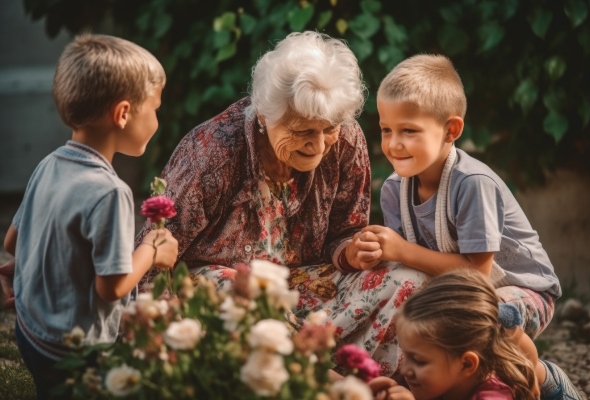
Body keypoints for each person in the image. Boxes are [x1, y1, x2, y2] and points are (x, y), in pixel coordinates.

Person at [136, 31, 429, 378]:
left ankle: (356, 374)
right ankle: (324, 380)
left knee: (407, 278)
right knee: (246, 295)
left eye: (328, 128)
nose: (318, 145)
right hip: (223, 290)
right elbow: (155, 261)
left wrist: (352, 252)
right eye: (303, 130)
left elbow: (343, 231)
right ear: (264, 115)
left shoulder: (346, 138)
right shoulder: (214, 153)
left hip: (302, 287)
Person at [354, 54, 583, 399]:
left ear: (451, 130)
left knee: (490, 323)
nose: (394, 143)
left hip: (520, 291)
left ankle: (544, 382)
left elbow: (478, 274)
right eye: (386, 129)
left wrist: (400, 249)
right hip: (455, 290)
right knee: (421, 326)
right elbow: (405, 267)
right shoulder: (393, 190)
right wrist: (374, 251)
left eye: (409, 131)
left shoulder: (471, 183)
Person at [2, 33, 179, 399]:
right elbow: (111, 287)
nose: (158, 120)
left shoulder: (48, 163)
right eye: (155, 108)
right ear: (124, 113)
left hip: (30, 331)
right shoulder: (111, 193)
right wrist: (152, 249)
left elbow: (12, 242)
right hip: (76, 352)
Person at [372, 269, 538, 400]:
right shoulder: (443, 376)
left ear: (466, 364)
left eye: (419, 361)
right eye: (405, 355)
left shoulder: (492, 396)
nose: (404, 369)